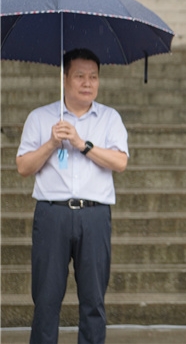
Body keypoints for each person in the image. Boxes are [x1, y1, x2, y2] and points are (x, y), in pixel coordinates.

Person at [16, 48, 129, 344]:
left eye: (93, 77)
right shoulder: (40, 117)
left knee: (93, 299)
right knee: (46, 299)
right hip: (51, 214)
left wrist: (82, 144)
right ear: (64, 78)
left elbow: (120, 162)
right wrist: (51, 143)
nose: (87, 83)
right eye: (80, 76)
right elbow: (23, 167)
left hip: (94, 215)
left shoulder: (109, 118)